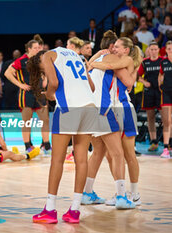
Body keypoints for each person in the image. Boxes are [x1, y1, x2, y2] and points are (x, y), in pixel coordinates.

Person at [28, 44, 97, 224]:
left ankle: (50, 209)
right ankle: (74, 210)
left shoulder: (47, 56)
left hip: (68, 107)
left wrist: (49, 95)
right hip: (89, 106)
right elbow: (92, 86)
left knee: (57, 160)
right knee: (81, 159)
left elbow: (55, 83)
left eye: (41, 71)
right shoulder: (75, 55)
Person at [82, 31, 138, 209]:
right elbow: (129, 82)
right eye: (116, 47)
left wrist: (96, 58)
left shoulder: (93, 61)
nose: (117, 51)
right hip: (105, 110)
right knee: (118, 154)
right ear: (111, 48)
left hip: (88, 111)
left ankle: (86, 193)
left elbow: (90, 67)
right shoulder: (112, 60)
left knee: (97, 153)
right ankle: (122, 196)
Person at [4, 39, 51, 154]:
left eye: (39, 48)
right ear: (29, 49)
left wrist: (45, 81)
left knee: (45, 120)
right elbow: (7, 73)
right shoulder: (21, 60)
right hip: (26, 94)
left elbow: (44, 73)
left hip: (40, 93)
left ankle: (46, 145)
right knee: (27, 121)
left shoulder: (40, 60)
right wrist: (20, 85)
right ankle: (27, 146)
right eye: (35, 48)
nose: (38, 50)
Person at [138, 42, 163, 152]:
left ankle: (169, 143)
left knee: (166, 119)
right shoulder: (145, 62)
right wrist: (144, 82)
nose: (153, 51)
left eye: (155, 49)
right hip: (148, 93)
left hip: (161, 92)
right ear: (149, 50)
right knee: (150, 118)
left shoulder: (163, 61)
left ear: (158, 50)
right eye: (151, 49)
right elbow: (137, 76)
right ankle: (154, 142)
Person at [158, 40, 172, 158]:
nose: (170, 51)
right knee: (166, 121)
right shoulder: (163, 62)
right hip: (166, 93)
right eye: (168, 49)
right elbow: (160, 75)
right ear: (166, 50)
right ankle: (166, 148)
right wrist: (160, 85)